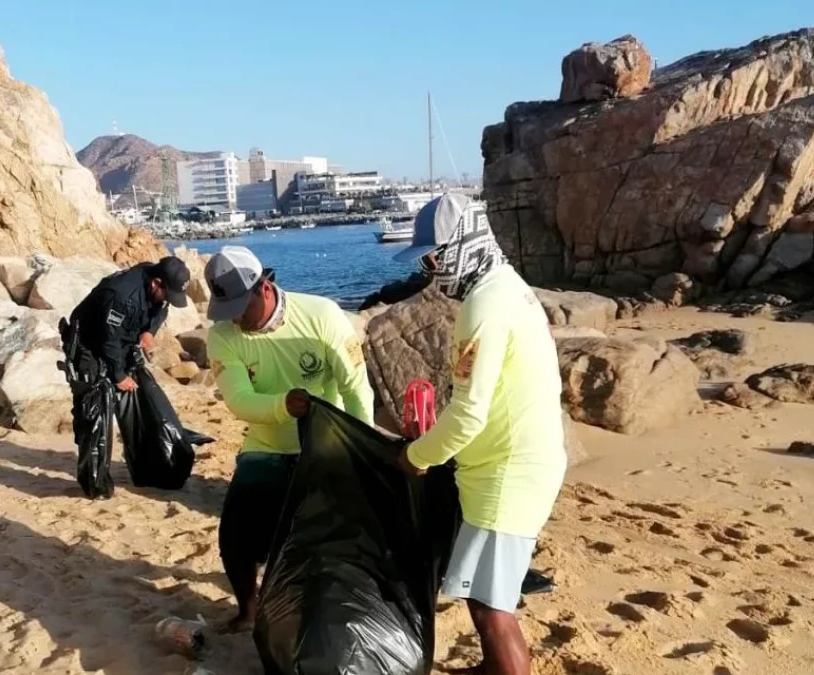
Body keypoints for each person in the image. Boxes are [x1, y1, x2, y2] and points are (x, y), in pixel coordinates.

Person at [393, 193, 567, 675]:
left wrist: (418, 456)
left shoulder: (483, 305)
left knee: (492, 607)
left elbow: (469, 412)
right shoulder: (508, 287)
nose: (431, 269)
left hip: (506, 472)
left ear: (461, 246)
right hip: (515, 462)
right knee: (481, 594)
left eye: (434, 256)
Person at [203, 245, 374, 632]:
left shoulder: (322, 316)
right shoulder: (222, 337)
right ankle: (249, 609)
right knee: (235, 535)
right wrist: (284, 405)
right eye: (225, 311)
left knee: (322, 539)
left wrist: (356, 451)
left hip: (322, 444)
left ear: (264, 288)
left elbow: (356, 391)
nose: (235, 321)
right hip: (264, 446)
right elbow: (239, 402)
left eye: (240, 309)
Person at [64, 256, 191, 497]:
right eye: (168, 293)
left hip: (121, 342)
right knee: (95, 412)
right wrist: (119, 376)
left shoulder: (155, 287)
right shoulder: (121, 295)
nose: (169, 300)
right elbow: (107, 340)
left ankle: (150, 469)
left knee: (144, 400)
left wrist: (148, 331)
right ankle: (95, 484)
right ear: (156, 284)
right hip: (88, 346)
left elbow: (161, 309)